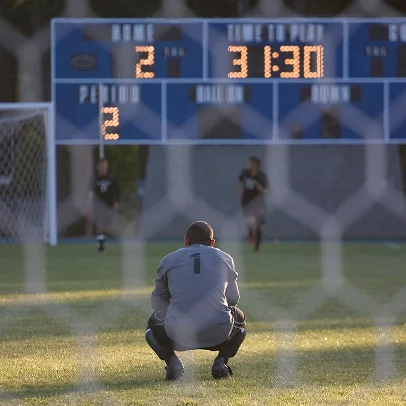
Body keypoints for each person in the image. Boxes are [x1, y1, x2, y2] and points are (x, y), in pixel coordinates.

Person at [146, 221, 246, 381]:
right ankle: (221, 361)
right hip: (218, 334)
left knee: (152, 323)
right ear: (212, 243)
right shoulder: (225, 258)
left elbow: (157, 302)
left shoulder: (168, 260)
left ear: (186, 240)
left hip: (178, 335)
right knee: (239, 318)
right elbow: (233, 299)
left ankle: (173, 363)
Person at [87, 159, 120, 252]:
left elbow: (117, 191)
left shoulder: (111, 178)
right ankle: (100, 246)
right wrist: (89, 203)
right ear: (98, 167)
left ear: (107, 167)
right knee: (100, 223)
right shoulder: (95, 179)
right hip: (98, 205)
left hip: (109, 205)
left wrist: (116, 202)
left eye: (104, 166)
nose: (103, 168)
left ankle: (102, 240)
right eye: (101, 166)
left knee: (107, 224)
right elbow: (90, 192)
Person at [239, 156, 269, 253]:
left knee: (259, 225)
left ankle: (257, 247)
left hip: (258, 202)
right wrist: (240, 189)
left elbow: (266, 190)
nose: (248, 165)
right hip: (247, 201)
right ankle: (250, 233)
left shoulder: (261, 176)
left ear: (255, 165)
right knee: (250, 220)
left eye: (250, 163)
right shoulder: (245, 173)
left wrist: (261, 189)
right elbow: (240, 181)